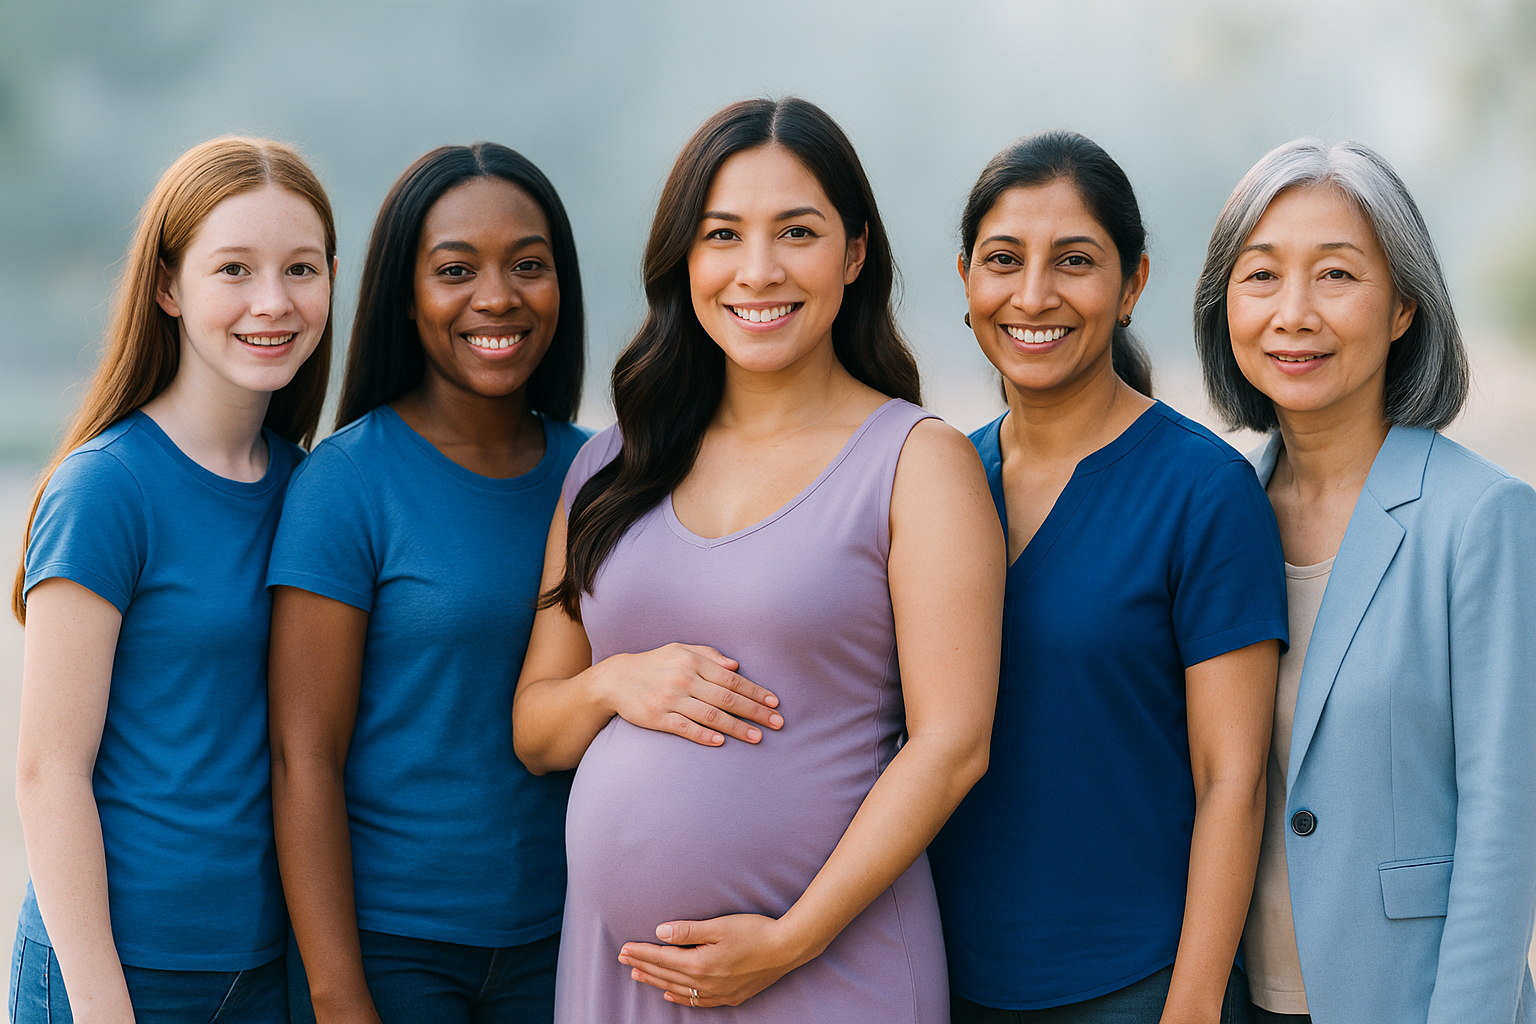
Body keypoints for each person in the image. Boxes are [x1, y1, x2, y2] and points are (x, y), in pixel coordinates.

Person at [510, 96, 1004, 1022]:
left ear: (854, 254)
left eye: (797, 233)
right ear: (684, 258)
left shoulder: (915, 461)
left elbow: (952, 747)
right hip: (620, 979)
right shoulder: (608, 466)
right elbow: (536, 729)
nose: (758, 271)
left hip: (829, 965)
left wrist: (792, 939)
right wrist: (615, 683)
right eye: (723, 235)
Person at [926, 130, 1288, 1024]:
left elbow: (1231, 780)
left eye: (1075, 261)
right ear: (967, 279)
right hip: (940, 978)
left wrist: (1194, 1004)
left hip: (1141, 985)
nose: (1034, 295)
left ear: (1132, 285)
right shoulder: (932, 483)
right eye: (1003, 260)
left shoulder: (1204, 493)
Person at [1193, 137, 1536, 1024]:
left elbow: (1504, 826)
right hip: (1230, 996)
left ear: (1402, 309)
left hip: (1407, 998)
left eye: (1336, 275)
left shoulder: (1482, 519)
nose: (1293, 313)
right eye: (1261, 275)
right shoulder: (1215, 511)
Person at [9, 136, 335, 1023]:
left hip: (263, 970)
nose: (273, 301)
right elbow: (47, 772)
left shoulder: (313, 486)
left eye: (301, 268)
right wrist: (104, 1007)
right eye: (234, 268)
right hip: (116, 976)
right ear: (167, 287)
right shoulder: (108, 487)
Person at [266, 142, 589, 1024]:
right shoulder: (346, 482)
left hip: (569, 941)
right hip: (392, 954)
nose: (498, 297)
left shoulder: (600, 474)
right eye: (456, 270)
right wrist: (338, 996)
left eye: (529, 265)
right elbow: (305, 759)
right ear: (405, 298)